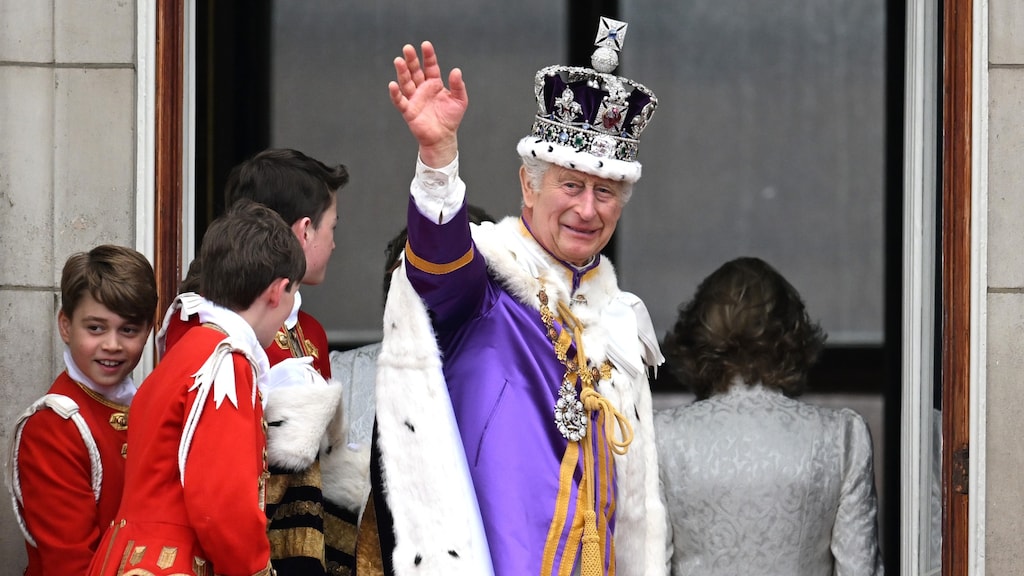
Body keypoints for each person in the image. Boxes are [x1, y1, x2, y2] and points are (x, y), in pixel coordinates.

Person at [370, 17, 667, 575]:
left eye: (605, 191)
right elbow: (437, 263)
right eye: (571, 185)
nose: (587, 209)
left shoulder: (620, 323)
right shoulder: (486, 286)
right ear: (529, 185)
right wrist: (438, 161)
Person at [159, 148, 361, 576]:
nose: (335, 242)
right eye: (332, 227)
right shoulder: (201, 321)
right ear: (305, 231)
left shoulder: (313, 332)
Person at [87, 200, 304, 576]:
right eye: (292, 297)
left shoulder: (185, 348)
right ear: (277, 291)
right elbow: (223, 505)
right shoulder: (226, 363)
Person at [654, 256, 884, 575]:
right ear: (791, 335)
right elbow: (859, 570)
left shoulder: (662, 438)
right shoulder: (841, 438)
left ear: (700, 334)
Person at [6, 245, 157, 576]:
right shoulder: (53, 426)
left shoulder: (151, 407)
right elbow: (69, 564)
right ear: (65, 325)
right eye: (96, 328)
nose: (112, 345)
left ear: (147, 331)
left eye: (128, 329)